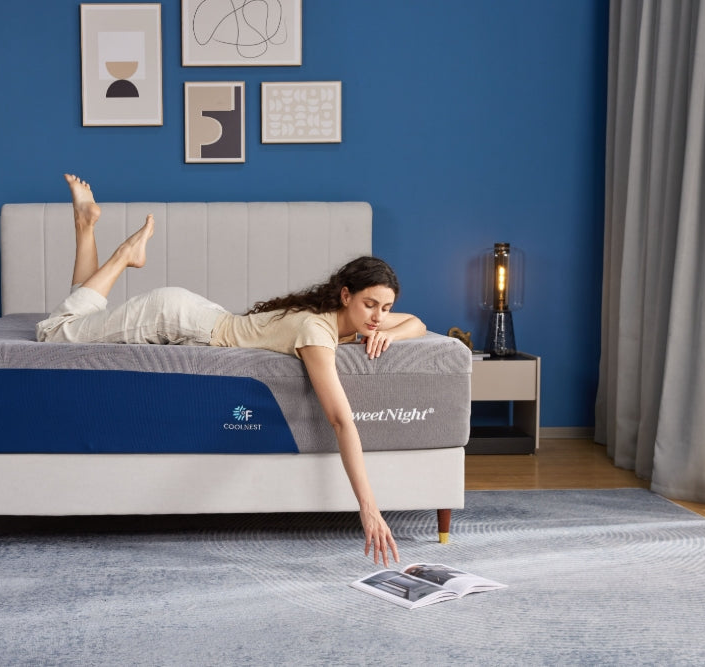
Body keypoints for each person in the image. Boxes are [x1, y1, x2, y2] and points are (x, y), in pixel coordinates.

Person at [37, 174, 428, 566]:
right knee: (54, 336)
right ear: (346, 296)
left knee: (82, 317)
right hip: (173, 319)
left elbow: (418, 323)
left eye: (386, 308)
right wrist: (369, 508)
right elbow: (342, 422)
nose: (379, 317)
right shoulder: (317, 331)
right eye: (370, 304)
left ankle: (84, 224)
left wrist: (393, 336)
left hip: (199, 314)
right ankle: (124, 255)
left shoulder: (350, 319)